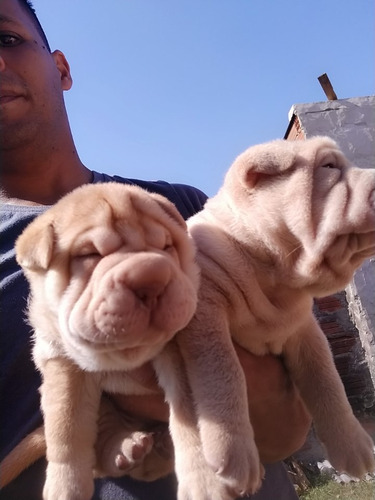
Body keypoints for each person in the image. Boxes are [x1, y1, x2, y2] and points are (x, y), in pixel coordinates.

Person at [0, 0, 311, 498]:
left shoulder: (185, 209)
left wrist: (189, 365)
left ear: (60, 68)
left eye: (6, 39)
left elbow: (290, 424)